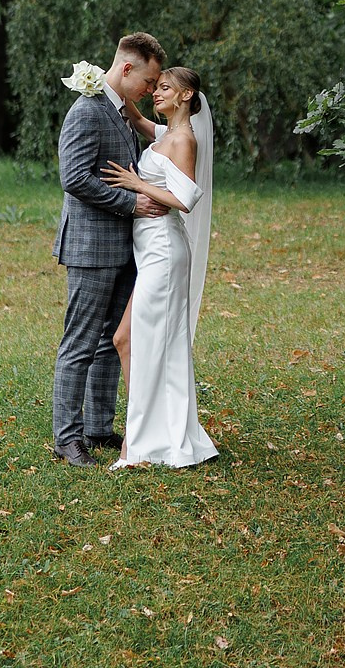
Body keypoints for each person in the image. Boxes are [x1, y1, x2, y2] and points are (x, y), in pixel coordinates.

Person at [51, 32, 167, 466]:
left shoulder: (120, 111)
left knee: (108, 341)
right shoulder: (86, 110)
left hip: (122, 247)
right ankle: (67, 438)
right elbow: (75, 177)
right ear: (126, 69)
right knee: (79, 343)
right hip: (90, 246)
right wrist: (131, 202)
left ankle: (98, 427)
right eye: (150, 82)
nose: (152, 91)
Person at [101, 65, 218, 469]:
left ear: (186, 96)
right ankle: (147, 436)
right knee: (126, 340)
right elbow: (132, 114)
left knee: (139, 341)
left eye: (165, 88)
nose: (156, 92)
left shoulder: (183, 139)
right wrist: (101, 78)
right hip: (151, 250)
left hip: (165, 252)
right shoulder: (166, 134)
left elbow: (186, 198)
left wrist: (137, 186)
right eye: (156, 87)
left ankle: (139, 445)